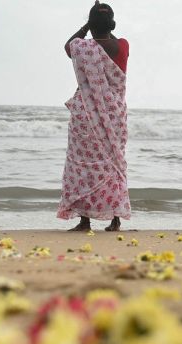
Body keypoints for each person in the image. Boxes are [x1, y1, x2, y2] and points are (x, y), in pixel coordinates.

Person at [57, 2, 131, 232]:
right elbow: (114, 41)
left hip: (85, 115)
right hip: (114, 115)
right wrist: (101, 22)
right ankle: (115, 219)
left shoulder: (80, 47)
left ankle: (84, 221)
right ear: (112, 23)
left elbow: (68, 46)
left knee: (82, 166)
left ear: (90, 25)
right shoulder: (122, 46)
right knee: (113, 164)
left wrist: (87, 26)